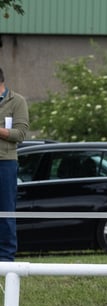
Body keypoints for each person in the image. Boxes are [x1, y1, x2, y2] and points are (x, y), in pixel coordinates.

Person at [0, 67, 29, 262]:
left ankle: (6, 259)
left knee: (5, 211)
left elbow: (20, 134)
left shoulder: (17, 101)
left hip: (5, 163)